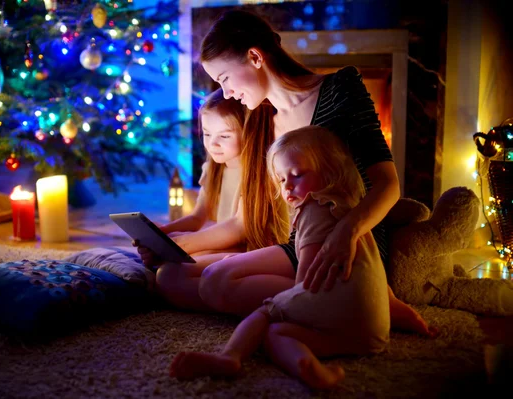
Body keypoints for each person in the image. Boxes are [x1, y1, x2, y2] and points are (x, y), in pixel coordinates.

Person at [195, 9, 434, 336]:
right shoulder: (263, 121)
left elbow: (388, 185)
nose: (225, 93)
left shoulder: (340, 89)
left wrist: (345, 233)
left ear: (254, 56)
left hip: (349, 242)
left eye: (224, 78)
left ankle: (365, 296)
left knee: (217, 285)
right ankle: (349, 303)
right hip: (300, 246)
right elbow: (253, 217)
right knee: (205, 282)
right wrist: (181, 243)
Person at [170, 127, 390, 389]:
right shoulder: (353, 210)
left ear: (330, 171)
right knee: (277, 335)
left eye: (296, 175)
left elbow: (305, 283)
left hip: (336, 311)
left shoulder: (314, 210)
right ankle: (308, 367)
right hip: (372, 331)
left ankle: (229, 357)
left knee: (266, 316)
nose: (287, 187)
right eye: (281, 180)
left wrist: (280, 303)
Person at [136, 87, 288, 311]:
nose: (213, 144)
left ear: (248, 132)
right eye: (207, 134)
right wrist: (164, 234)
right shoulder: (213, 168)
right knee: (172, 260)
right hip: (228, 247)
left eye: (224, 136)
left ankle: (259, 298)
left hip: (251, 250)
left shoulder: (260, 171)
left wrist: (178, 244)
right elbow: (197, 218)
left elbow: (239, 228)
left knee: (169, 275)